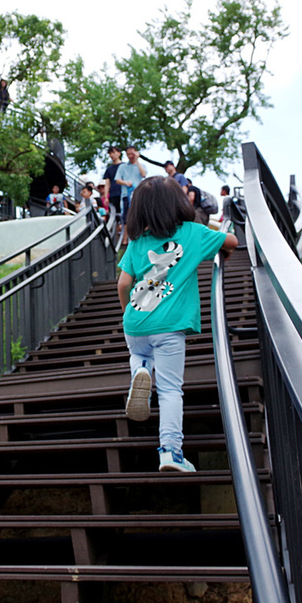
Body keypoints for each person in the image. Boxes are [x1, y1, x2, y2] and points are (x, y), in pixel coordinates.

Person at [117, 176, 237, 472]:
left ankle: (140, 372)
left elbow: (123, 284)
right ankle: (170, 452)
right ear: (178, 203)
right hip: (169, 327)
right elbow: (231, 241)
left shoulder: (137, 244)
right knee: (170, 389)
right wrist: (226, 250)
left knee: (140, 354)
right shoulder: (194, 234)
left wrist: (125, 313)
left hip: (135, 322)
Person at [114, 145, 147, 217]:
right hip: (126, 194)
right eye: (128, 154)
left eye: (132, 154)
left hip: (139, 194)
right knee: (127, 217)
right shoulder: (122, 166)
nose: (130, 156)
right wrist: (126, 182)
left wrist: (137, 159)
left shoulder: (142, 165)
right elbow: (117, 180)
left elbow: (144, 174)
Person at [102, 147, 124, 224]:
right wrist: (105, 197)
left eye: (113, 152)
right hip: (113, 195)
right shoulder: (109, 169)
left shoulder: (124, 166)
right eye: (110, 153)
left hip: (123, 193)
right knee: (114, 216)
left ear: (119, 153)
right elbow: (107, 183)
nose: (112, 155)